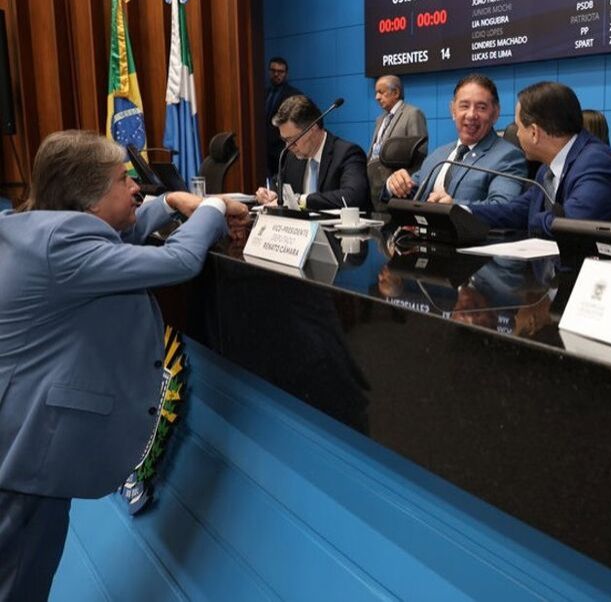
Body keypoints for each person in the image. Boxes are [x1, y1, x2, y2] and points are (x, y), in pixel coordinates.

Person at [0, 130, 249, 601]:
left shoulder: (39, 227)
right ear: (89, 198)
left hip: (20, 445)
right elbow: (178, 261)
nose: (137, 188)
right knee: (18, 580)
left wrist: (173, 200)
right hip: (25, 456)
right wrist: (212, 208)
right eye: (123, 180)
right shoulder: (61, 244)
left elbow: (121, 234)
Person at [456, 81, 611, 237]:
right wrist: (462, 211)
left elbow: (571, 225)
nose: (517, 134)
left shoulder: (596, 161)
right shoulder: (547, 168)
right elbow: (518, 210)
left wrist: (536, 218)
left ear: (534, 133)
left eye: (519, 127)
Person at [383, 73, 526, 206]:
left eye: (481, 108)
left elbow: (502, 207)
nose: (471, 114)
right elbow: (411, 194)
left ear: (495, 114)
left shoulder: (508, 157)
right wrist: (394, 184)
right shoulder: (438, 155)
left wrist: (453, 207)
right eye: (464, 106)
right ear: (453, 111)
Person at [256, 94, 370, 210]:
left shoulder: (347, 153)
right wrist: (271, 193)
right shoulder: (292, 157)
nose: (288, 146)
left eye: (293, 140)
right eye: (285, 140)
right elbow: (278, 182)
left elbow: (352, 196)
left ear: (313, 129)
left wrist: (301, 200)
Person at [367, 75, 428, 211]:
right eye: (376, 92)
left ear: (396, 93)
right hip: (373, 188)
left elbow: (420, 153)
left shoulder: (412, 114)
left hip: (397, 191)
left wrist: (404, 184)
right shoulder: (380, 119)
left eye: (381, 92)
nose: (377, 97)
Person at [264, 57, 302, 178]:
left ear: (286, 74)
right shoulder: (260, 92)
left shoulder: (294, 95)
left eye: (280, 72)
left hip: (282, 147)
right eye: (273, 70)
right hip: (263, 148)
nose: (276, 74)